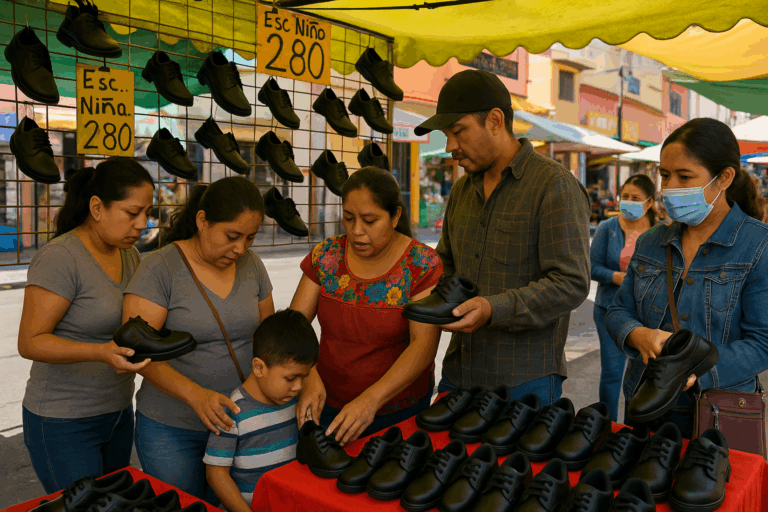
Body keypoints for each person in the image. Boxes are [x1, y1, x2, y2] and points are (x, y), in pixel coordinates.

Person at [413, 69, 591, 405]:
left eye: (457, 132)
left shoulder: (553, 186)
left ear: (495, 121)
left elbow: (571, 283)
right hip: (458, 373)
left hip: (524, 381)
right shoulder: (462, 190)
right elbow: (447, 265)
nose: (450, 146)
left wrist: (493, 309)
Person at [606, 118, 768, 436]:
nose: (670, 188)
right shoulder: (651, 242)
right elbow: (617, 311)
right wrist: (635, 334)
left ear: (723, 178)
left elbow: (762, 342)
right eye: (665, 175)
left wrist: (695, 369)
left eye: (684, 176)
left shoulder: (758, 246)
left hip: (718, 414)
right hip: (645, 402)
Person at [123, 176, 274, 502]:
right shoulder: (160, 268)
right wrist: (196, 396)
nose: (240, 248)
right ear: (202, 220)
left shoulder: (252, 266)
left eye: (250, 238)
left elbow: (269, 337)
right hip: (172, 428)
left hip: (238, 424)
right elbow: (135, 352)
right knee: (183, 504)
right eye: (232, 236)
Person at [17, 157, 155, 493]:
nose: (142, 224)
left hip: (118, 413)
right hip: (63, 422)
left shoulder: (129, 254)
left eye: (147, 213)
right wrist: (101, 352)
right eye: (132, 213)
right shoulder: (60, 258)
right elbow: (30, 342)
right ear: (97, 207)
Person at [292, 167, 443, 446]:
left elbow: (423, 347)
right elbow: (293, 327)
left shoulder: (422, 264)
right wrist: (309, 374)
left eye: (370, 220)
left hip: (398, 412)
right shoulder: (326, 256)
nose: (356, 231)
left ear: (395, 216)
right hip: (326, 404)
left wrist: (371, 400)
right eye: (348, 218)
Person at [205, 309, 319, 511]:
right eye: (291, 378)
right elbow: (216, 473)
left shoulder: (296, 401)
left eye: (305, 376)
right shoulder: (233, 411)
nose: (299, 387)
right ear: (259, 368)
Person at [590, 174, 658, 421]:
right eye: (625, 196)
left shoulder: (660, 232)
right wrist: (614, 276)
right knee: (612, 372)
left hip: (649, 315)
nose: (628, 202)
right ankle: (607, 426)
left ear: (649, 203)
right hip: (610, 310)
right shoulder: (607, 229)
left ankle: (633, 427)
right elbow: (591, 266)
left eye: (635, 198)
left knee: (642, 375)